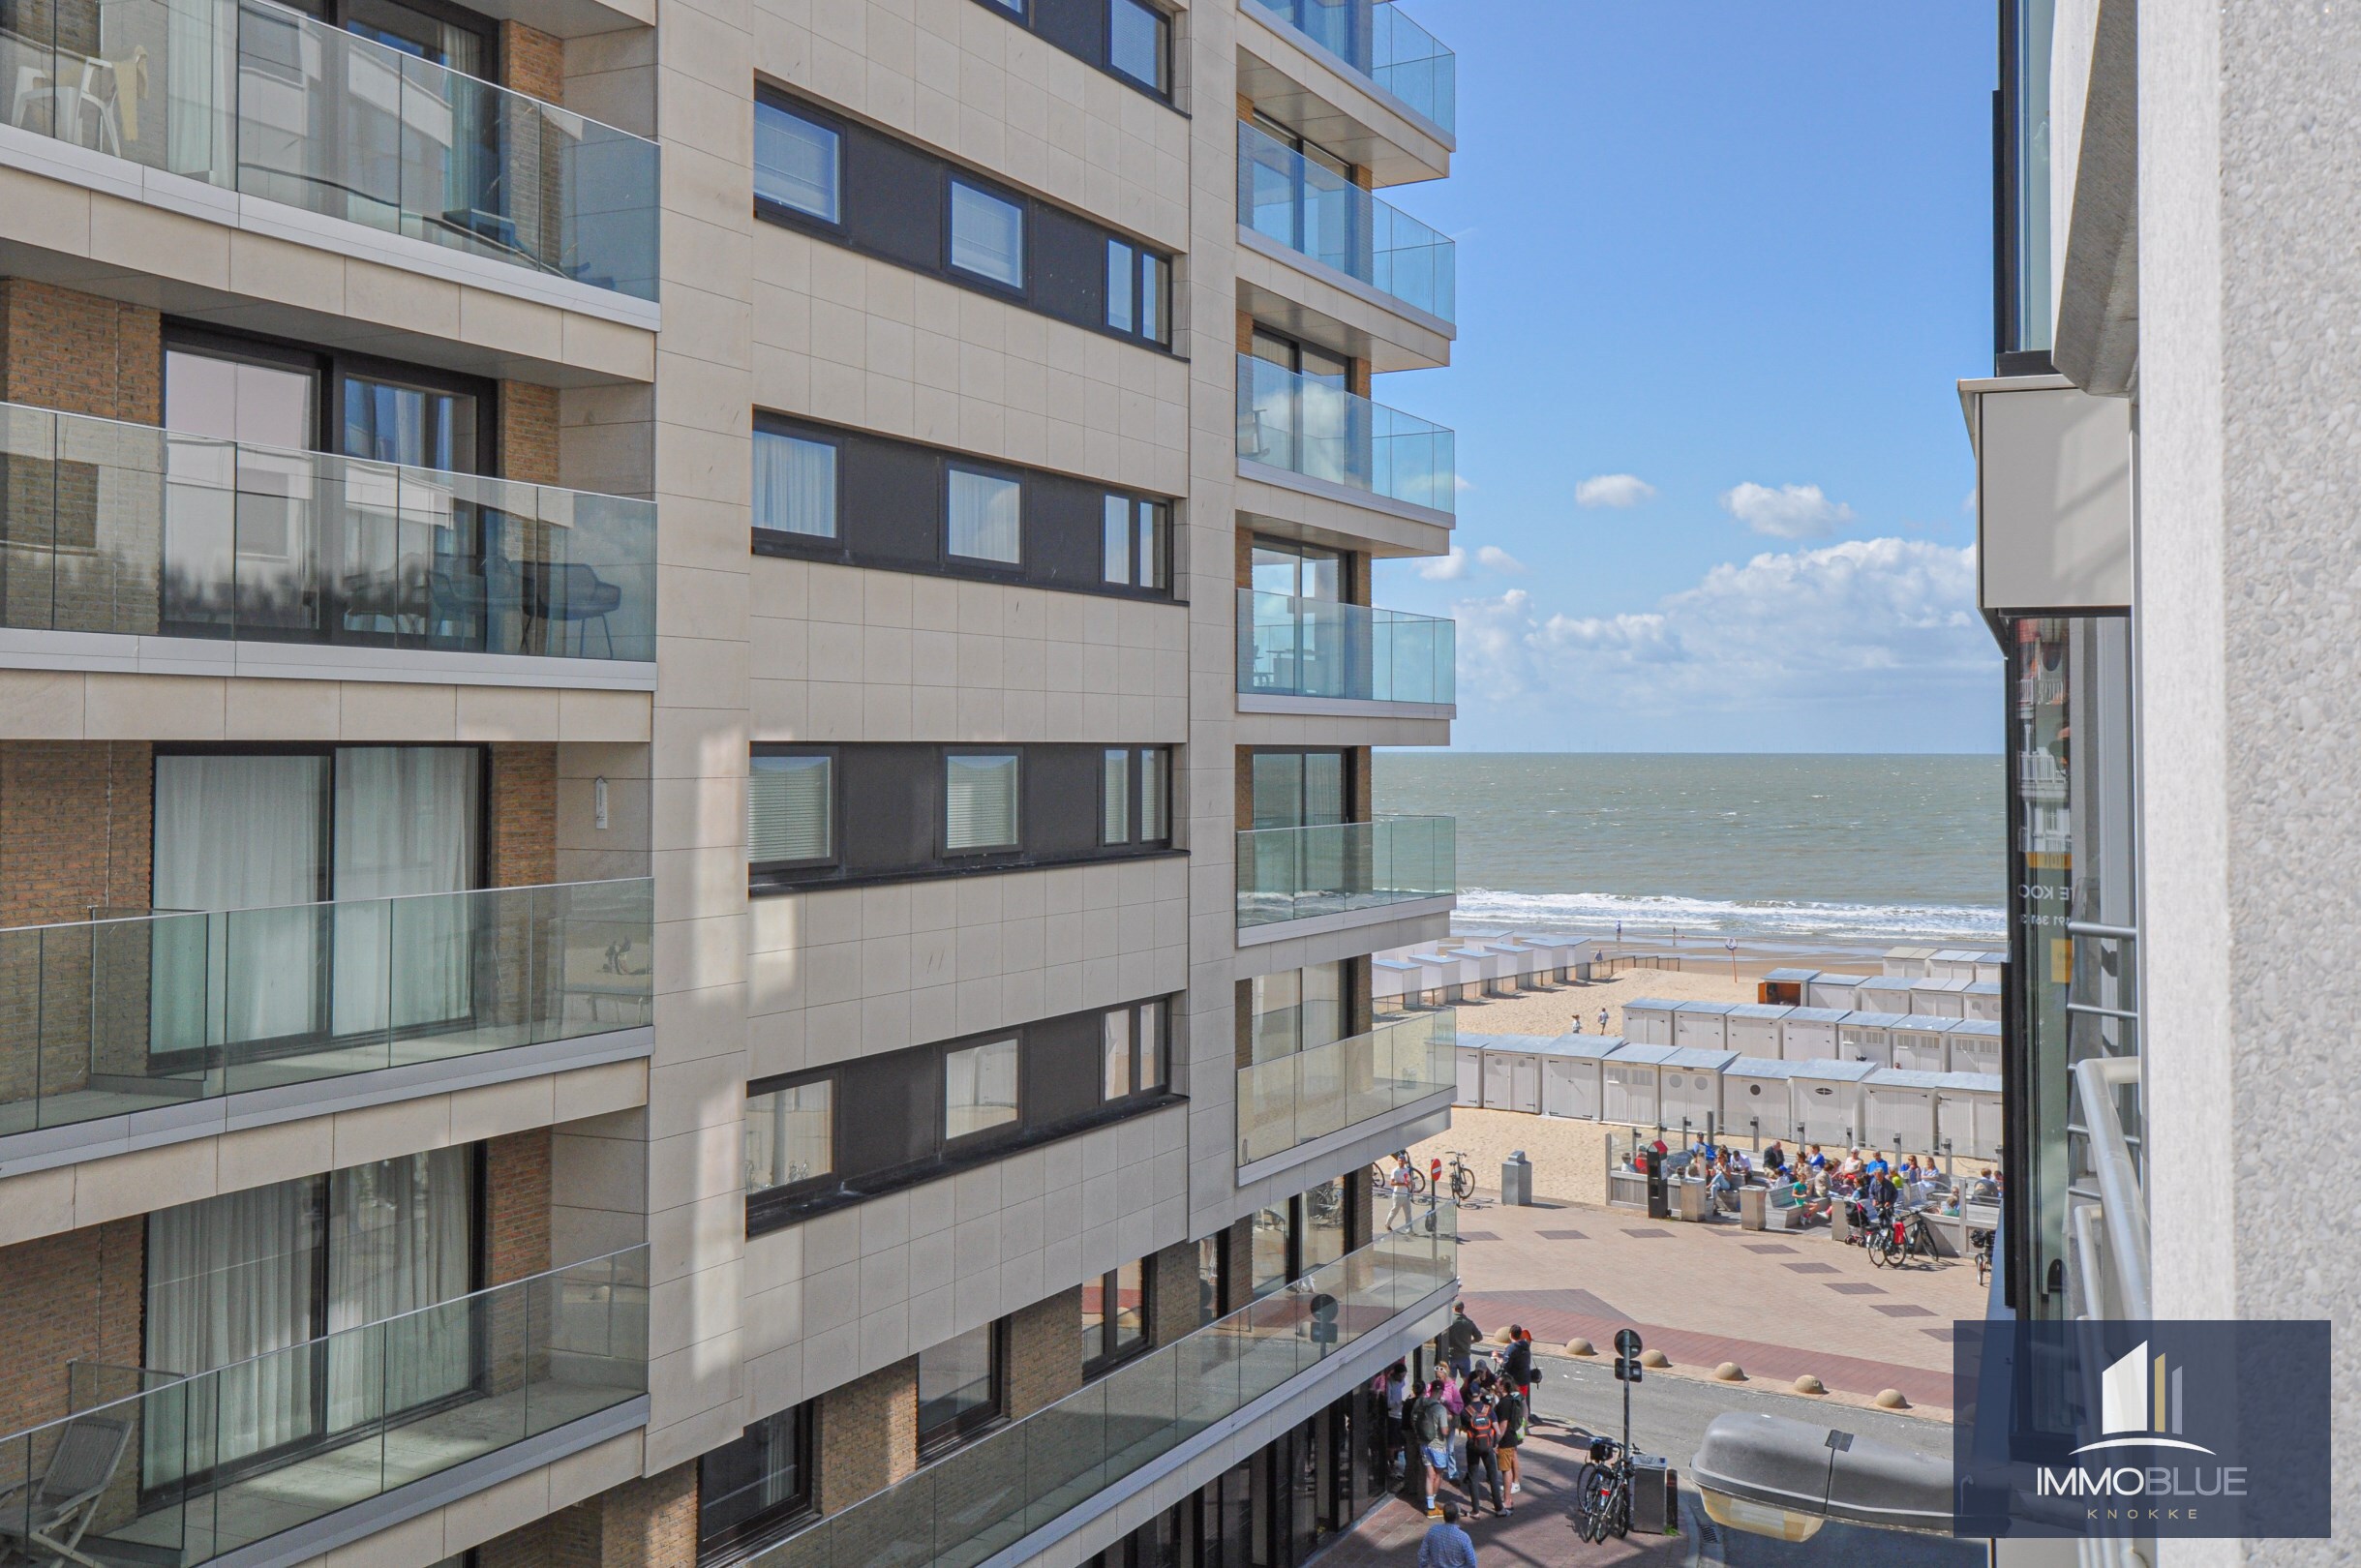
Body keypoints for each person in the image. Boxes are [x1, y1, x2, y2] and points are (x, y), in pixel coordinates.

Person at [1460, 1382, 1506, 1515]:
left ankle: (1476, 1510)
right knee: (1492, 1476)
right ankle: (1499, 1508)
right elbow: (1497, 1430)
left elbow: (1464, 1428)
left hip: (1472, 1446)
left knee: (1473, 1476)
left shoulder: (1465, 1411)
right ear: (1480, 1394)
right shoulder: (1488, 1409)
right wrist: (1495, 1444)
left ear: (1469, 1395)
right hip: (1488, 1446)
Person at [1412, 1378, 1454, 1515]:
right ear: (1441, 1391)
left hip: (1424, 1444)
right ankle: (1432, 1504)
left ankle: (1430, 1506)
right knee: (1438, 1475)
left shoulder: (1420, 1402)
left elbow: (1413, 1419)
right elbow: (1444, 1431)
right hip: (1438, 1446)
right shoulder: (1440, 1409)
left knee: (1429, 1475)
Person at [1418, 1498, 1478, 1568]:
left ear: (1444, 1516)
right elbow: (1472, 1563)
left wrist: (1423, 1566)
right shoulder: (1463, 1537)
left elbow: (1423, 1554)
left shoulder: (1433, 1530)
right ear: (1457, 1517)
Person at [1494, 1377, 1527, 1496]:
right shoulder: (1510, 1399)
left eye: (1498, 1382)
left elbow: (1503, 1425)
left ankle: (1508, 1496)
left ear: (1503, 1386)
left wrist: (1496, 1442)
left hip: (1506, 1439)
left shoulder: (1505, 1403)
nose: (1495, 1383)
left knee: (1506, 1468)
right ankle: (1511, 1488)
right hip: (1511, 1436)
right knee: (1508, 1463)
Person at [1383, 1361, 1410, 1483]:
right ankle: (1392, 1465)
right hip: (1393, 1416)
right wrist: (1399, 1403)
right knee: (1393, 1444)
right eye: (1401, 1376)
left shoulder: (1406, 1381)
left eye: (1404, 1376)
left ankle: (1402, 1466)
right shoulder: (1389, 1383)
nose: (1403, 1379)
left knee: (1403, 1443)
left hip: (1403, 1415)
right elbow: (1388, 1403)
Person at [1442, 1302, 1482, 1377]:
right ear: (1462, 1309)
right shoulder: (1469, 1323)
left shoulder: (1448, 1321)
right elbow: (1479, 1337)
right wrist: (1470, 1342)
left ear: (1454, 1308)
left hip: (1451, 1356)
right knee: (1466, 1381)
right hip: (1464, 1356)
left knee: (1451, 1381)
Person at [1386, 1154, 1419, 1232]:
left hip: (1405, 1194)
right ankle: (1387, 1224)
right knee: (1394, 1211)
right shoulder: (1395, 1171)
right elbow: (1392, 1183)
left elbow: (1409, 1180)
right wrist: (1403, 1184)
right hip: (1397, 1194)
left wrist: (1410, 1184)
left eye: (1402, 1161)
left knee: (1408, 1213)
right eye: (1399, 1161)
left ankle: (1409, 1229)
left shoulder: (1407, 1170)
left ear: (1404, 1161)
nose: (1400, 1162)